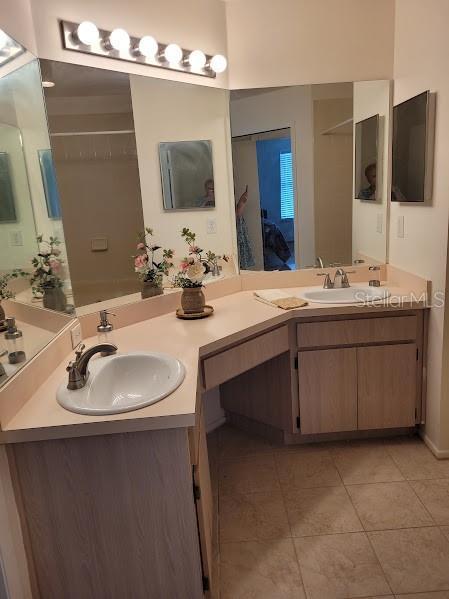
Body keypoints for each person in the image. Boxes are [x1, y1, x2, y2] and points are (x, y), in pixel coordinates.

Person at [235, 185, 255, 270]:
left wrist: (243, 200)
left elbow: (238, 214)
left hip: (240, 232)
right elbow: (238, 213)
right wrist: (242, 201)